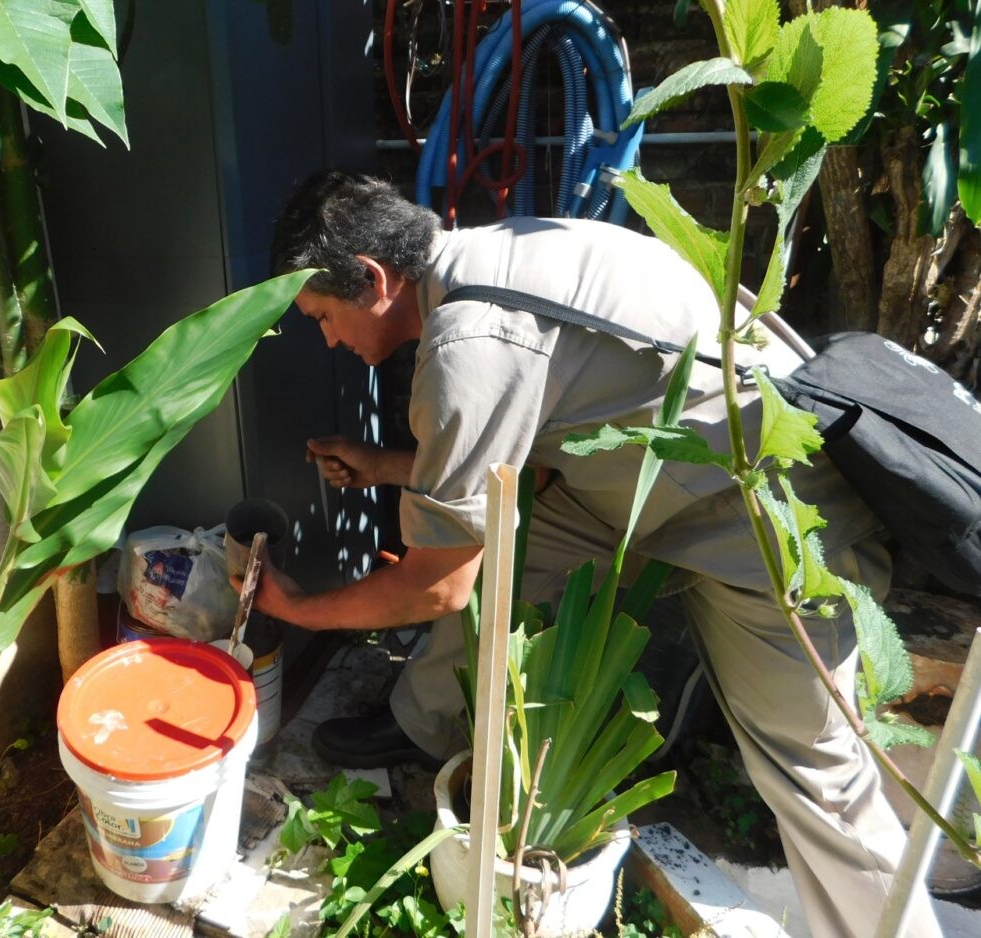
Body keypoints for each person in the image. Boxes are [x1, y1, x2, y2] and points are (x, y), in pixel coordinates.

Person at [248, 169, 940, 937]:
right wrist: (380, 465)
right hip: (667, 475)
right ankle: (430, 728)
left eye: (322, 316)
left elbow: (435, 588)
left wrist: (297, 607)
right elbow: (519, 475)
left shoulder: (466, 347)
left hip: (778, 517)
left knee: (814, 777)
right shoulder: (502, 253)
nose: (330, 339)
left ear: (374, 280)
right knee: (519, 542)